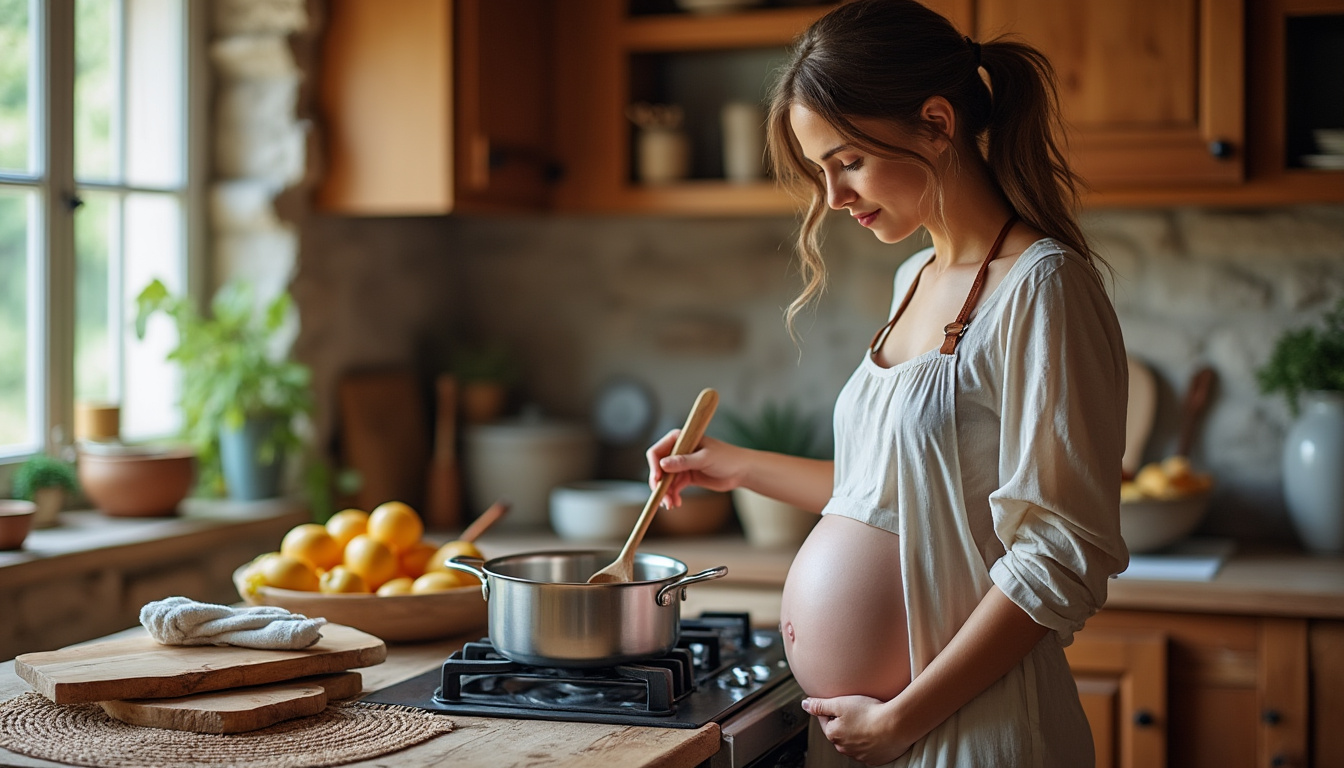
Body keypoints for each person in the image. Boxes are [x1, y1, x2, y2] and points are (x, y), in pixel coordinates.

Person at [645, 1, 1130, 765]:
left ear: (936, 122)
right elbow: (895, 492)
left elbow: (1059, 554)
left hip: (972, 729)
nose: (833, 198)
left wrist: (905, 715)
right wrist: (733, 466)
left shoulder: (1043, 287)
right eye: (820, 171)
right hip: (875, 735)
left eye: (848, 161)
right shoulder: (915, 277)